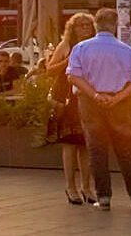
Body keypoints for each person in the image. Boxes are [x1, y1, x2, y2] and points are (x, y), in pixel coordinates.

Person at [69, 8, 131, 210]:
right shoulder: (129, 51)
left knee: (96, 150)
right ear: (115, 25)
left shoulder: (81, 48)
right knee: (126, 149)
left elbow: (74, 76)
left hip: (90, 101)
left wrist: (94, 94)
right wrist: (119, 97)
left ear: (96, 24)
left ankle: (103, 197)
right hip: (119, 101)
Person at [43, 14, 96, 206]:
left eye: (88, 25)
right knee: (69, 144)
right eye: (81, 25)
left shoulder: (94, 45)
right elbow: (49, 70)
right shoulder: (65, 45)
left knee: (85, 144)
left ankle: (87, 187)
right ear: (73, 28)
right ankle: (70, 186)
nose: (85, 28)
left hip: (86, 95)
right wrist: (68, 61)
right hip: (66, 97)